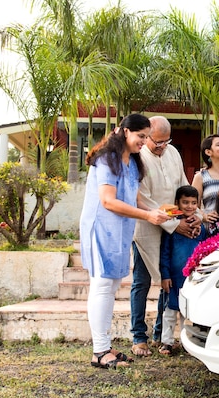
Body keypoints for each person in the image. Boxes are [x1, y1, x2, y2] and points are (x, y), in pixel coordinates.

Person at [79, 114, 171, 370]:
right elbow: (108, 200)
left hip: (120, 232)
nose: (144, 141)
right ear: (125, 131)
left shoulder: (132, 161)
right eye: (141, 136)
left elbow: (133, 197)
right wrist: (147, 215)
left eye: (146, 137)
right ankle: (99, 351)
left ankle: (105, 347)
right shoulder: (107, 159)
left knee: (112, 286)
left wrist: (157, 212)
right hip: (101, 229)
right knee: (101, 285)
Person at [131, 115, 202, 357]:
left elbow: (182, 185)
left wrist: (194, 216)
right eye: (156, 141)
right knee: (141, 283)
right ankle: (138, 336)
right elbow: (144, 199)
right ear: (147, 135)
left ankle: (161, 336)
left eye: (165, 141)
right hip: (146, 228)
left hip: (174, 228)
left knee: (167, 282)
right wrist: (174, 224)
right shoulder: (138, 156)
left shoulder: (173, 152)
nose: (161, 146)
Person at [158, 185, 207, 355]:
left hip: (192, 279)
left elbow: (205, 250)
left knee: (188, 313)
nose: (189, 206)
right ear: (177, 203)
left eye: (194, 203)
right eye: (185, 202)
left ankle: (187, 342)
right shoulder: (173, 228)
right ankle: (167, 342)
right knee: (170, 311)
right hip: (174, 277)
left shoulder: (201, 229)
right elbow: (164, 253)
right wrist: (165, 275)